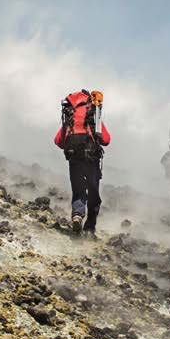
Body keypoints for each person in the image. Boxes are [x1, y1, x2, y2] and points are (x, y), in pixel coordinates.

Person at [54, 89, 110, 237]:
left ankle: (77, 215)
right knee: (93, 195)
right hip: (91, 159)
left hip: (74, 158)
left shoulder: (70, 116)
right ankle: (89, 230)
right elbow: (106, 140)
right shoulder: (93, 116)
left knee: (78, 191)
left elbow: (58, 141)